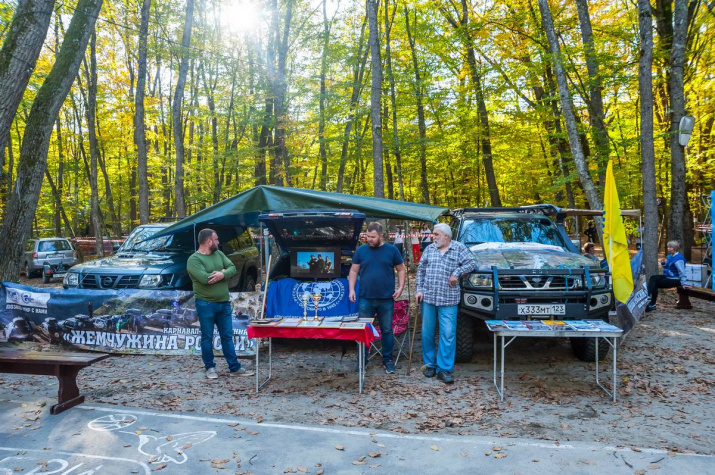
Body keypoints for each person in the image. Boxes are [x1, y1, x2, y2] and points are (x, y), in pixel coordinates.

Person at [187, 228, 254, 379]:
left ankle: (234, 367)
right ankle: (210, 368)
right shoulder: (194, 260)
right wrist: (222, 273)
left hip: (224, 303)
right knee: (207, 337)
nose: (218, 242)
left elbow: (232, 268)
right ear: (209, 241)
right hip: (205, 304)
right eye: (216, 239)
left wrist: (222, 273)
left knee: (227, 336)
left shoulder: (219, 254)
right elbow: (205, 279)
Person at [416, 223, 476, 385]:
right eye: (433, 234)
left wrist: (457, 273)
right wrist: (419, 290)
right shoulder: (429, 249)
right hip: (428, 297)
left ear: (446, 236)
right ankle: (430, 365)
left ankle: (444, 368)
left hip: (448, 299)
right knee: (427, 333)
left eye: (436, 234)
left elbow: (472, 262)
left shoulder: (459, 248)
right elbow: (421, 270)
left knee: (448, 334)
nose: (433, 237)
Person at [349, 222, 406, 374]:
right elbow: (353, 271)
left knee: (387, 330)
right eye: (368, 236)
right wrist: (351, 289)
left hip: (386, 298)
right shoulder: (361, 250)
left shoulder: (392, 250)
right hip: (365, 297)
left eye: (373, 237)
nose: (369, 239)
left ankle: (387, 359)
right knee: (363, 330)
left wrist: (400, 287)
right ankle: (362, 359)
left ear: (381, 235)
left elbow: (401, 269)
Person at [646, 240, 690, 312]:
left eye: (670, 247)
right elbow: (667, 267)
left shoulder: (679, 259)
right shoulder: (670, 256)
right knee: (653, 278)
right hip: (668, 276)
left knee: (655, 283)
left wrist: (684, 283)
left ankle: (651, 301)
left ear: (675, 248)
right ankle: (649, 299)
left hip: (675, 279)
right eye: (668, 247)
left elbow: (682, 272)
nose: (668, 249)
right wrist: (663, 263)